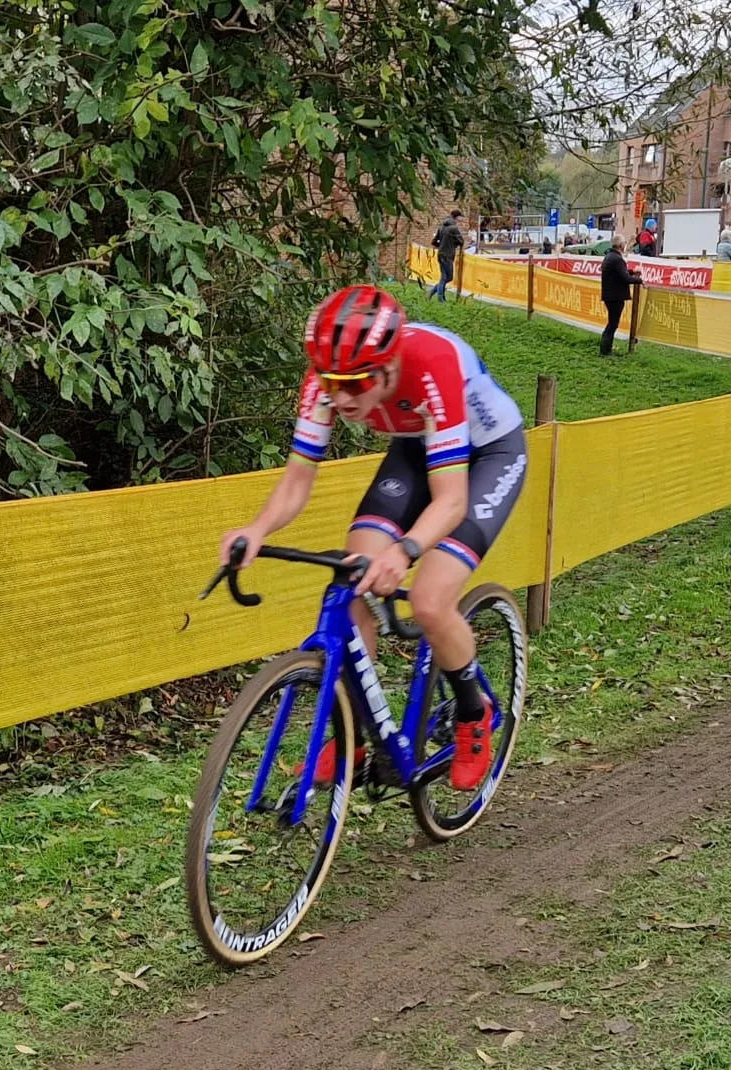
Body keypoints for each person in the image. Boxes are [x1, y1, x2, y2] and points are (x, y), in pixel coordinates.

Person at [219, 285, 528, 790]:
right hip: (416, 446)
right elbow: (298, 480)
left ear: (388, 365)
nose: (342, 397)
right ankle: (353, 736)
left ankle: (475, 715)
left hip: (488, 455)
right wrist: (256, 530)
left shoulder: (431, 362)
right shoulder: (330, 381)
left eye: (358, 382)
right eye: (331, 381)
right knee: (352, 580)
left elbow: (450, 501)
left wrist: (405, 551)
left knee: (429, 600)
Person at [600, 235, 642, 356]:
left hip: (610, 295)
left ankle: (606, 348)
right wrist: (639, 280)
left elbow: (619, 273)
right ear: (621, 245)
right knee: (613, 324)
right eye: (624, 243)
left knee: (612, 323)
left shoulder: (609, 256)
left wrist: (631, 272)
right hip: (615, 296)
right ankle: (605, 350)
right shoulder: (618, 259)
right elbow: (624, 278)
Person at [429, 210, 465, 301]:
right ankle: (439, 297)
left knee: (445, 277)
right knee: (447, 278)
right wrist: (453, 244)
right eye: (460, 217)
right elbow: (461, 241)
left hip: (441, 254)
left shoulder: (441, 227)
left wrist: (441, 245)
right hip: (448, 255)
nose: (461, 219)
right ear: (457, 217)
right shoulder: (453, 228)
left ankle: (435, 294)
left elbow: (434, 241)